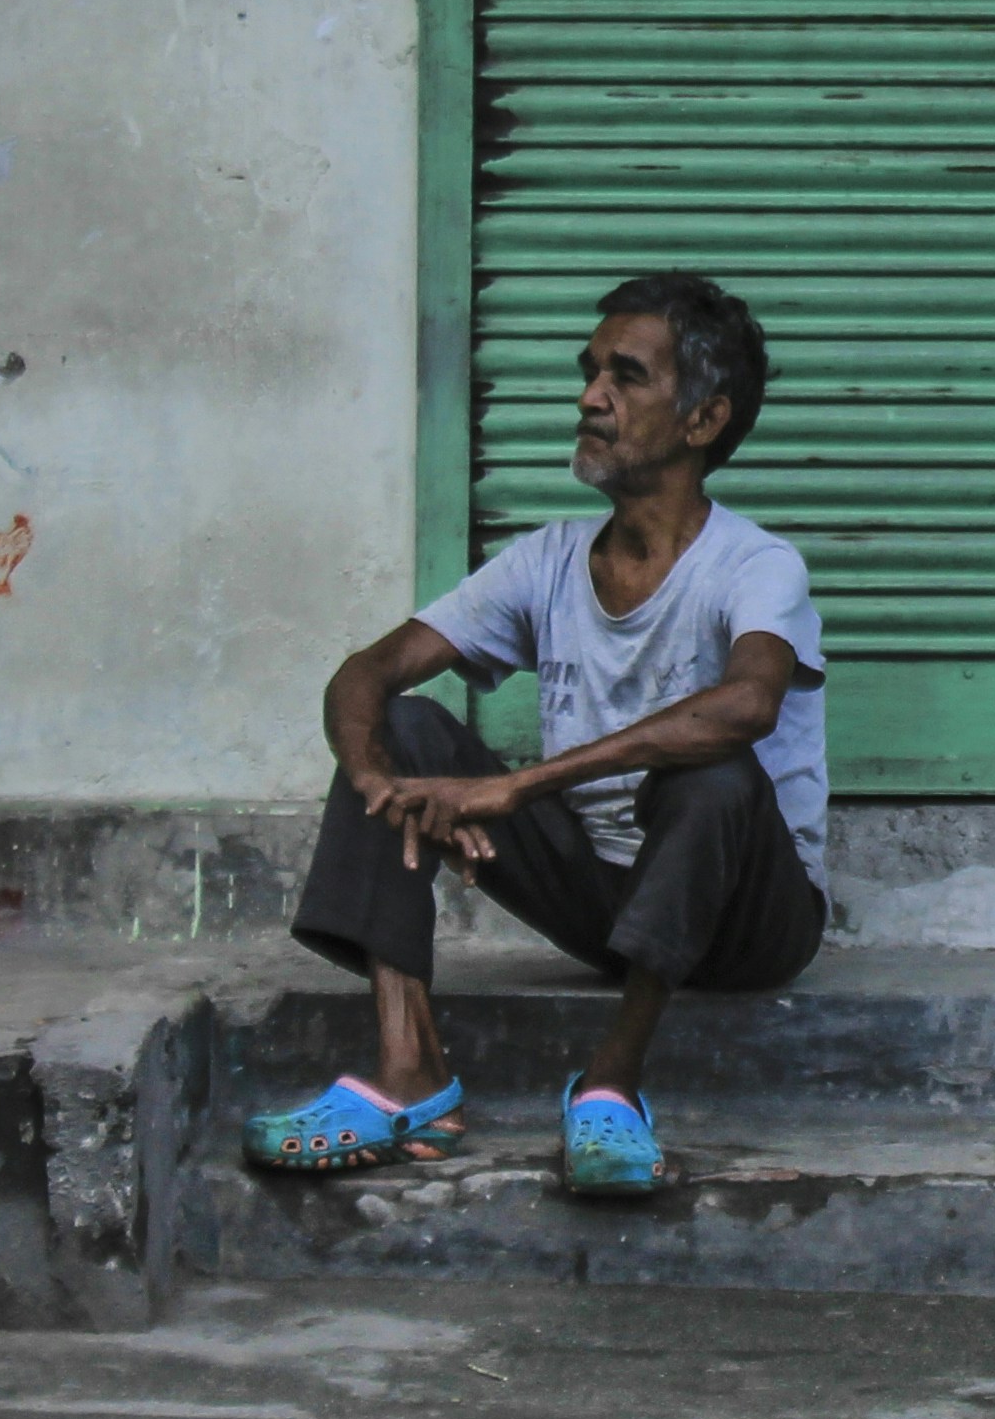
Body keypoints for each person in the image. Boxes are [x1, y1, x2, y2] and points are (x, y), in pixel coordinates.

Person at [242, 271, 826, 1196]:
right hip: (602, 901)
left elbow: (747, 705)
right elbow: (367, 672)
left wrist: (516, 787)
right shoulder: (547, 560)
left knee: (712, 773)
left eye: (626, 377)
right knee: (400, 730)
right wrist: (375, 773)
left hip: (751, 916)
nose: (591, 397)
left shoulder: (756, 565)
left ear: (703, 421)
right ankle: (408, 1070)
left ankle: (609, 1086)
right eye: (590, 371)